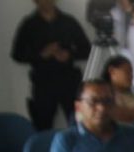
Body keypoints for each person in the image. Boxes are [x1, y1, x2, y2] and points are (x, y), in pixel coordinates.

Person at [10, 0, 91, 131]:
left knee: (80, 124)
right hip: (43, 82)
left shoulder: (68, 22)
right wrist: (41, 54)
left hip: (69, 80)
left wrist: (69, 54)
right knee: (42, 126)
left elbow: (87, 50)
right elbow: (17, 54)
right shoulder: (29, 25)